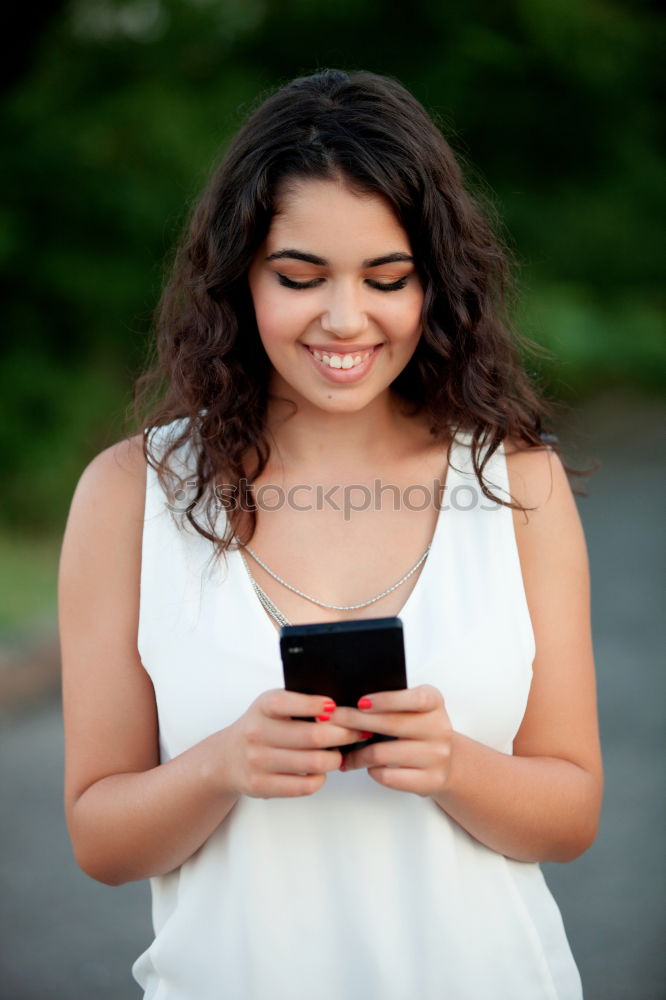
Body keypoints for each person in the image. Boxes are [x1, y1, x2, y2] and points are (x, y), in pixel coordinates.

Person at [59, 69, 603, 999]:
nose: (345, 320)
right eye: (300, 277)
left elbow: (571, 813)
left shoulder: (518, 481)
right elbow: (101, 840)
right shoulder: (128, 494)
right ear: (239, 278)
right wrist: (221, 766)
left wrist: (455, 766)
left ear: (436, 282)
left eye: (387, 278)